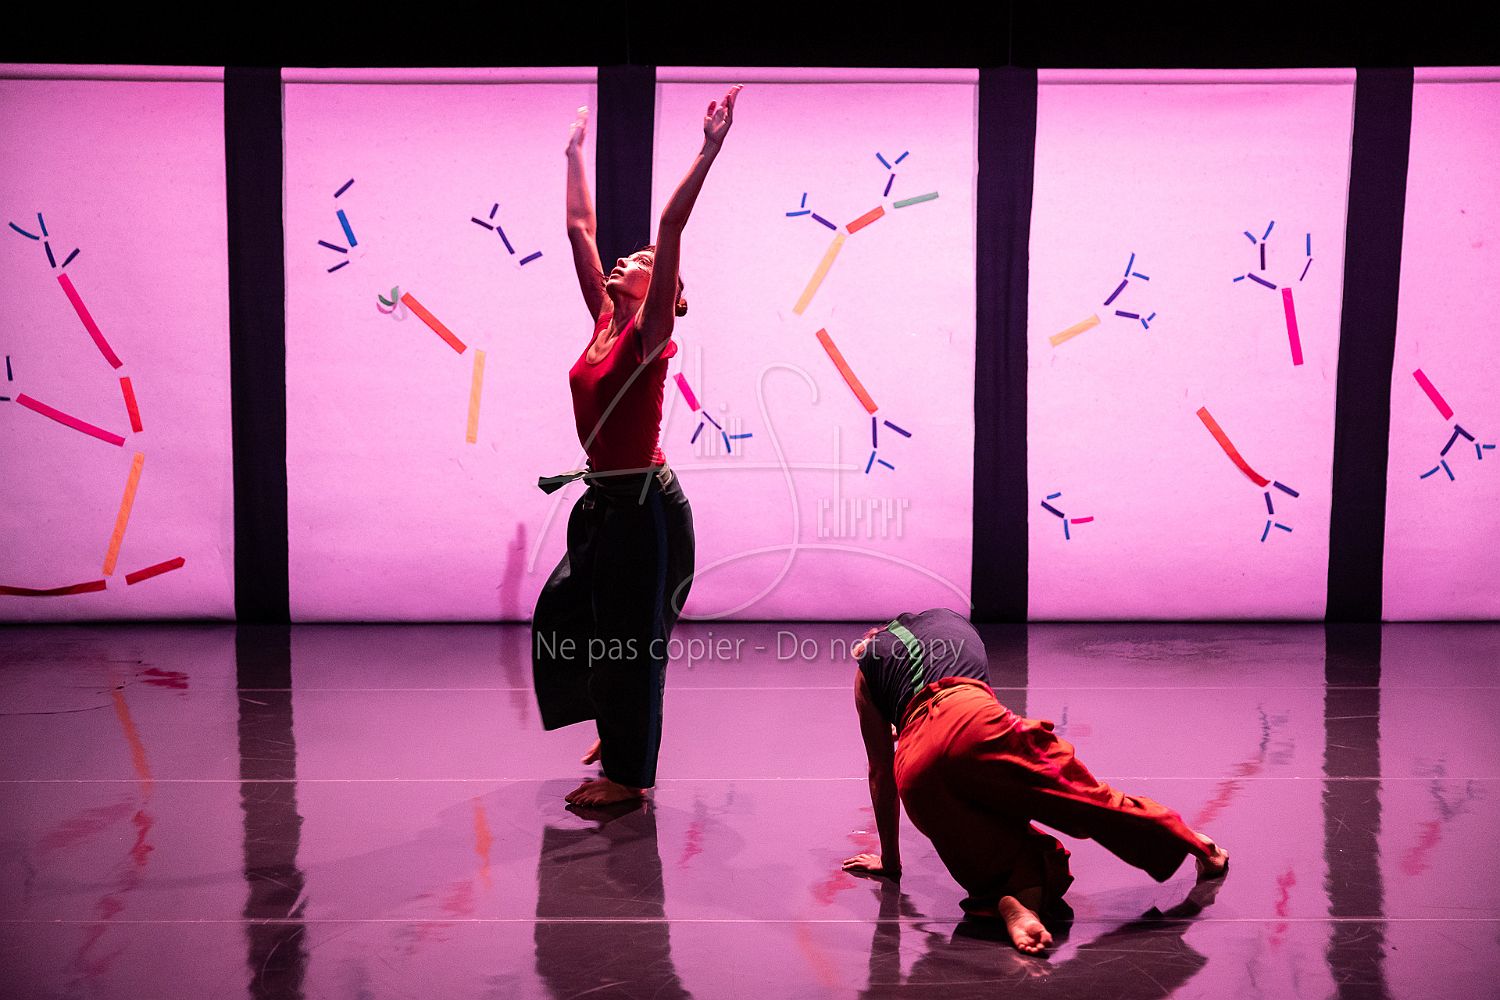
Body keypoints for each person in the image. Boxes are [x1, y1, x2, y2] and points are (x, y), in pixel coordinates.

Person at [531, 86, 743, 808]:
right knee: (571, 616)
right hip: (607, 501)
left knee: (631, 640)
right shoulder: (603, 318)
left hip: (645, 510)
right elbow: (578, 229)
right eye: (629, 256)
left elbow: (670, 223)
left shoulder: (650, 337)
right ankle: (619, 718)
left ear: (668, 293)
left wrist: (709, 149)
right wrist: (573, 153)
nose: (629, 257)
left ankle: (629, 777)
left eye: (646, 260)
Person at [840, 609, 1230, 954]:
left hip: (916, 761)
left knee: (993, 850)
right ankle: (1198, 845)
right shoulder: (950, 623)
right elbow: (951, 699)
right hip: (974, 720)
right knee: (1084, 800)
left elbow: (880, 771)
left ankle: (1015, 904)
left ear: (871, 641)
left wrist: (889, 862)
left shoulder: (866, 669)